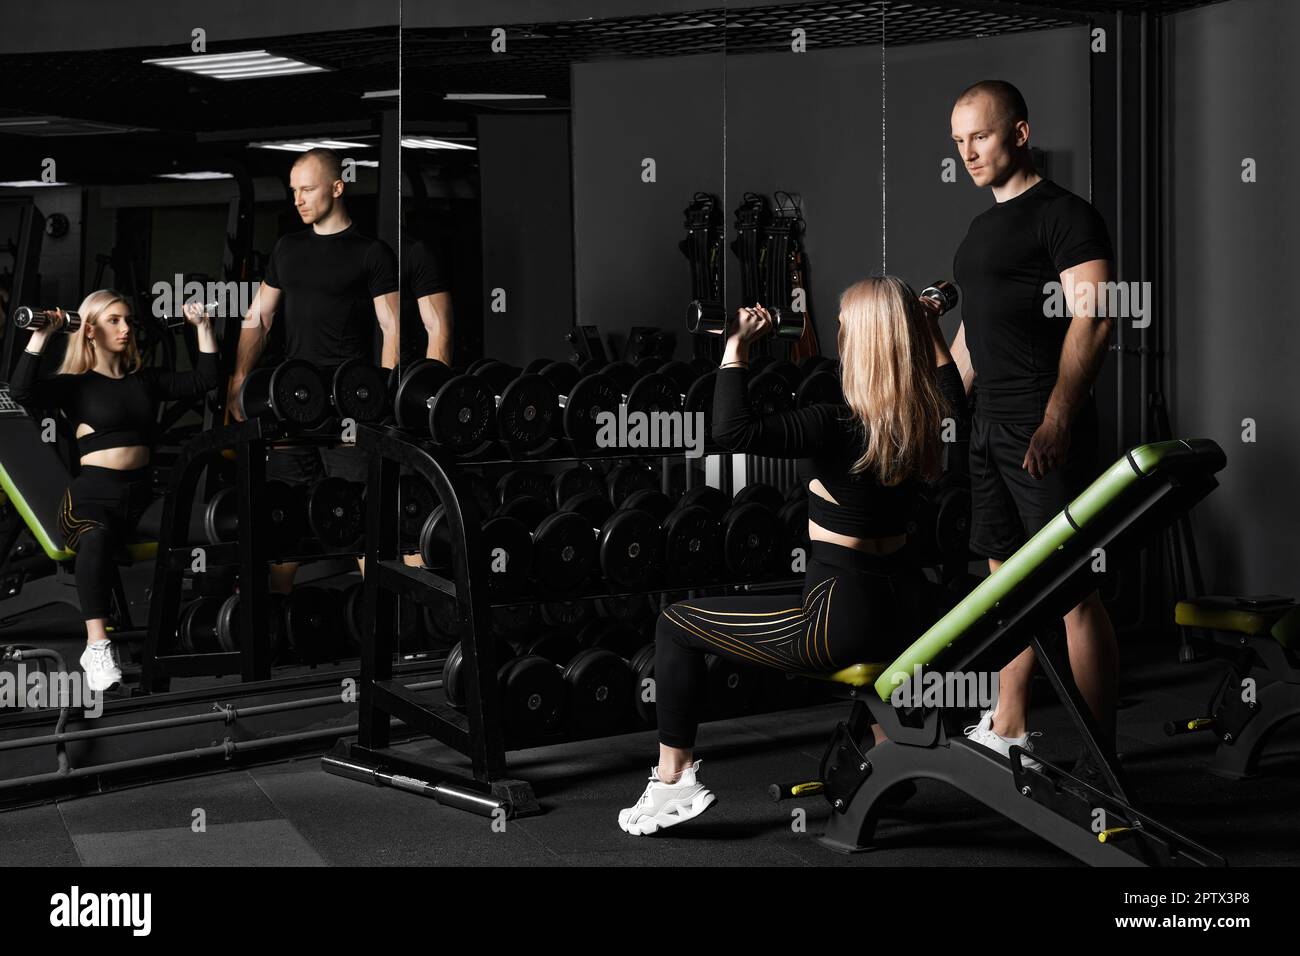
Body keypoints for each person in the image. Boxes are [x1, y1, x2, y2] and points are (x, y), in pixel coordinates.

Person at [617, 276, 967, 835]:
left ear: (860, 343)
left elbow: (729, 430)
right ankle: (885, 762)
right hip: (911, 614)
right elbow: (954, 394)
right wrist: (931, 331)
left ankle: (673, 779)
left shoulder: (833, 422)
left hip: (838, 620)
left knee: (674, 624)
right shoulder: (927, 420)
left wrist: (737, 348)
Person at [946, 80, 1117, 769]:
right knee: (1004, 582)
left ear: (1019, 132)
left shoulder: (1066, 215)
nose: (968, 153)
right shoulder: (980, 230)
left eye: (980, 136)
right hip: (989, 427)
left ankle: (1106, 763)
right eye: (958, 143)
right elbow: (972, 339)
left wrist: (1057, 417)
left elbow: (1096, 314)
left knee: (1073, 591)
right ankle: (1009, 721)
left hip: (1043, 425)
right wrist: (938, 414)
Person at [9, 290, 219, 692]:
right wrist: (42, 335)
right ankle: (96, 645)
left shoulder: (146, 380)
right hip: (90, 500)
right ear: (89, 331)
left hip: (141, 499)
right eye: (114, 321)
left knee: (218, 522)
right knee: (97, 537)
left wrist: (204, 328)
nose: (125, 329)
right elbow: (21, 394)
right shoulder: (74, 386)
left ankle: (213, 621)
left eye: (128, 320)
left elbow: (205, 380)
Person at [226, 146, 399, 591]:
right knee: (286, 515)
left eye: (307, 189)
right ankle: (276, 632)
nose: (298, 200)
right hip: (291, 401)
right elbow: (259, 318)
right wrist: (239, 380)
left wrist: (381, 401)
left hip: (348, 406)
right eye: (293, 191)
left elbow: (391, 327)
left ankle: (391, 633)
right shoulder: (288, 249)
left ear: (337, 188)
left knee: (360, 516)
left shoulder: (371, 253)